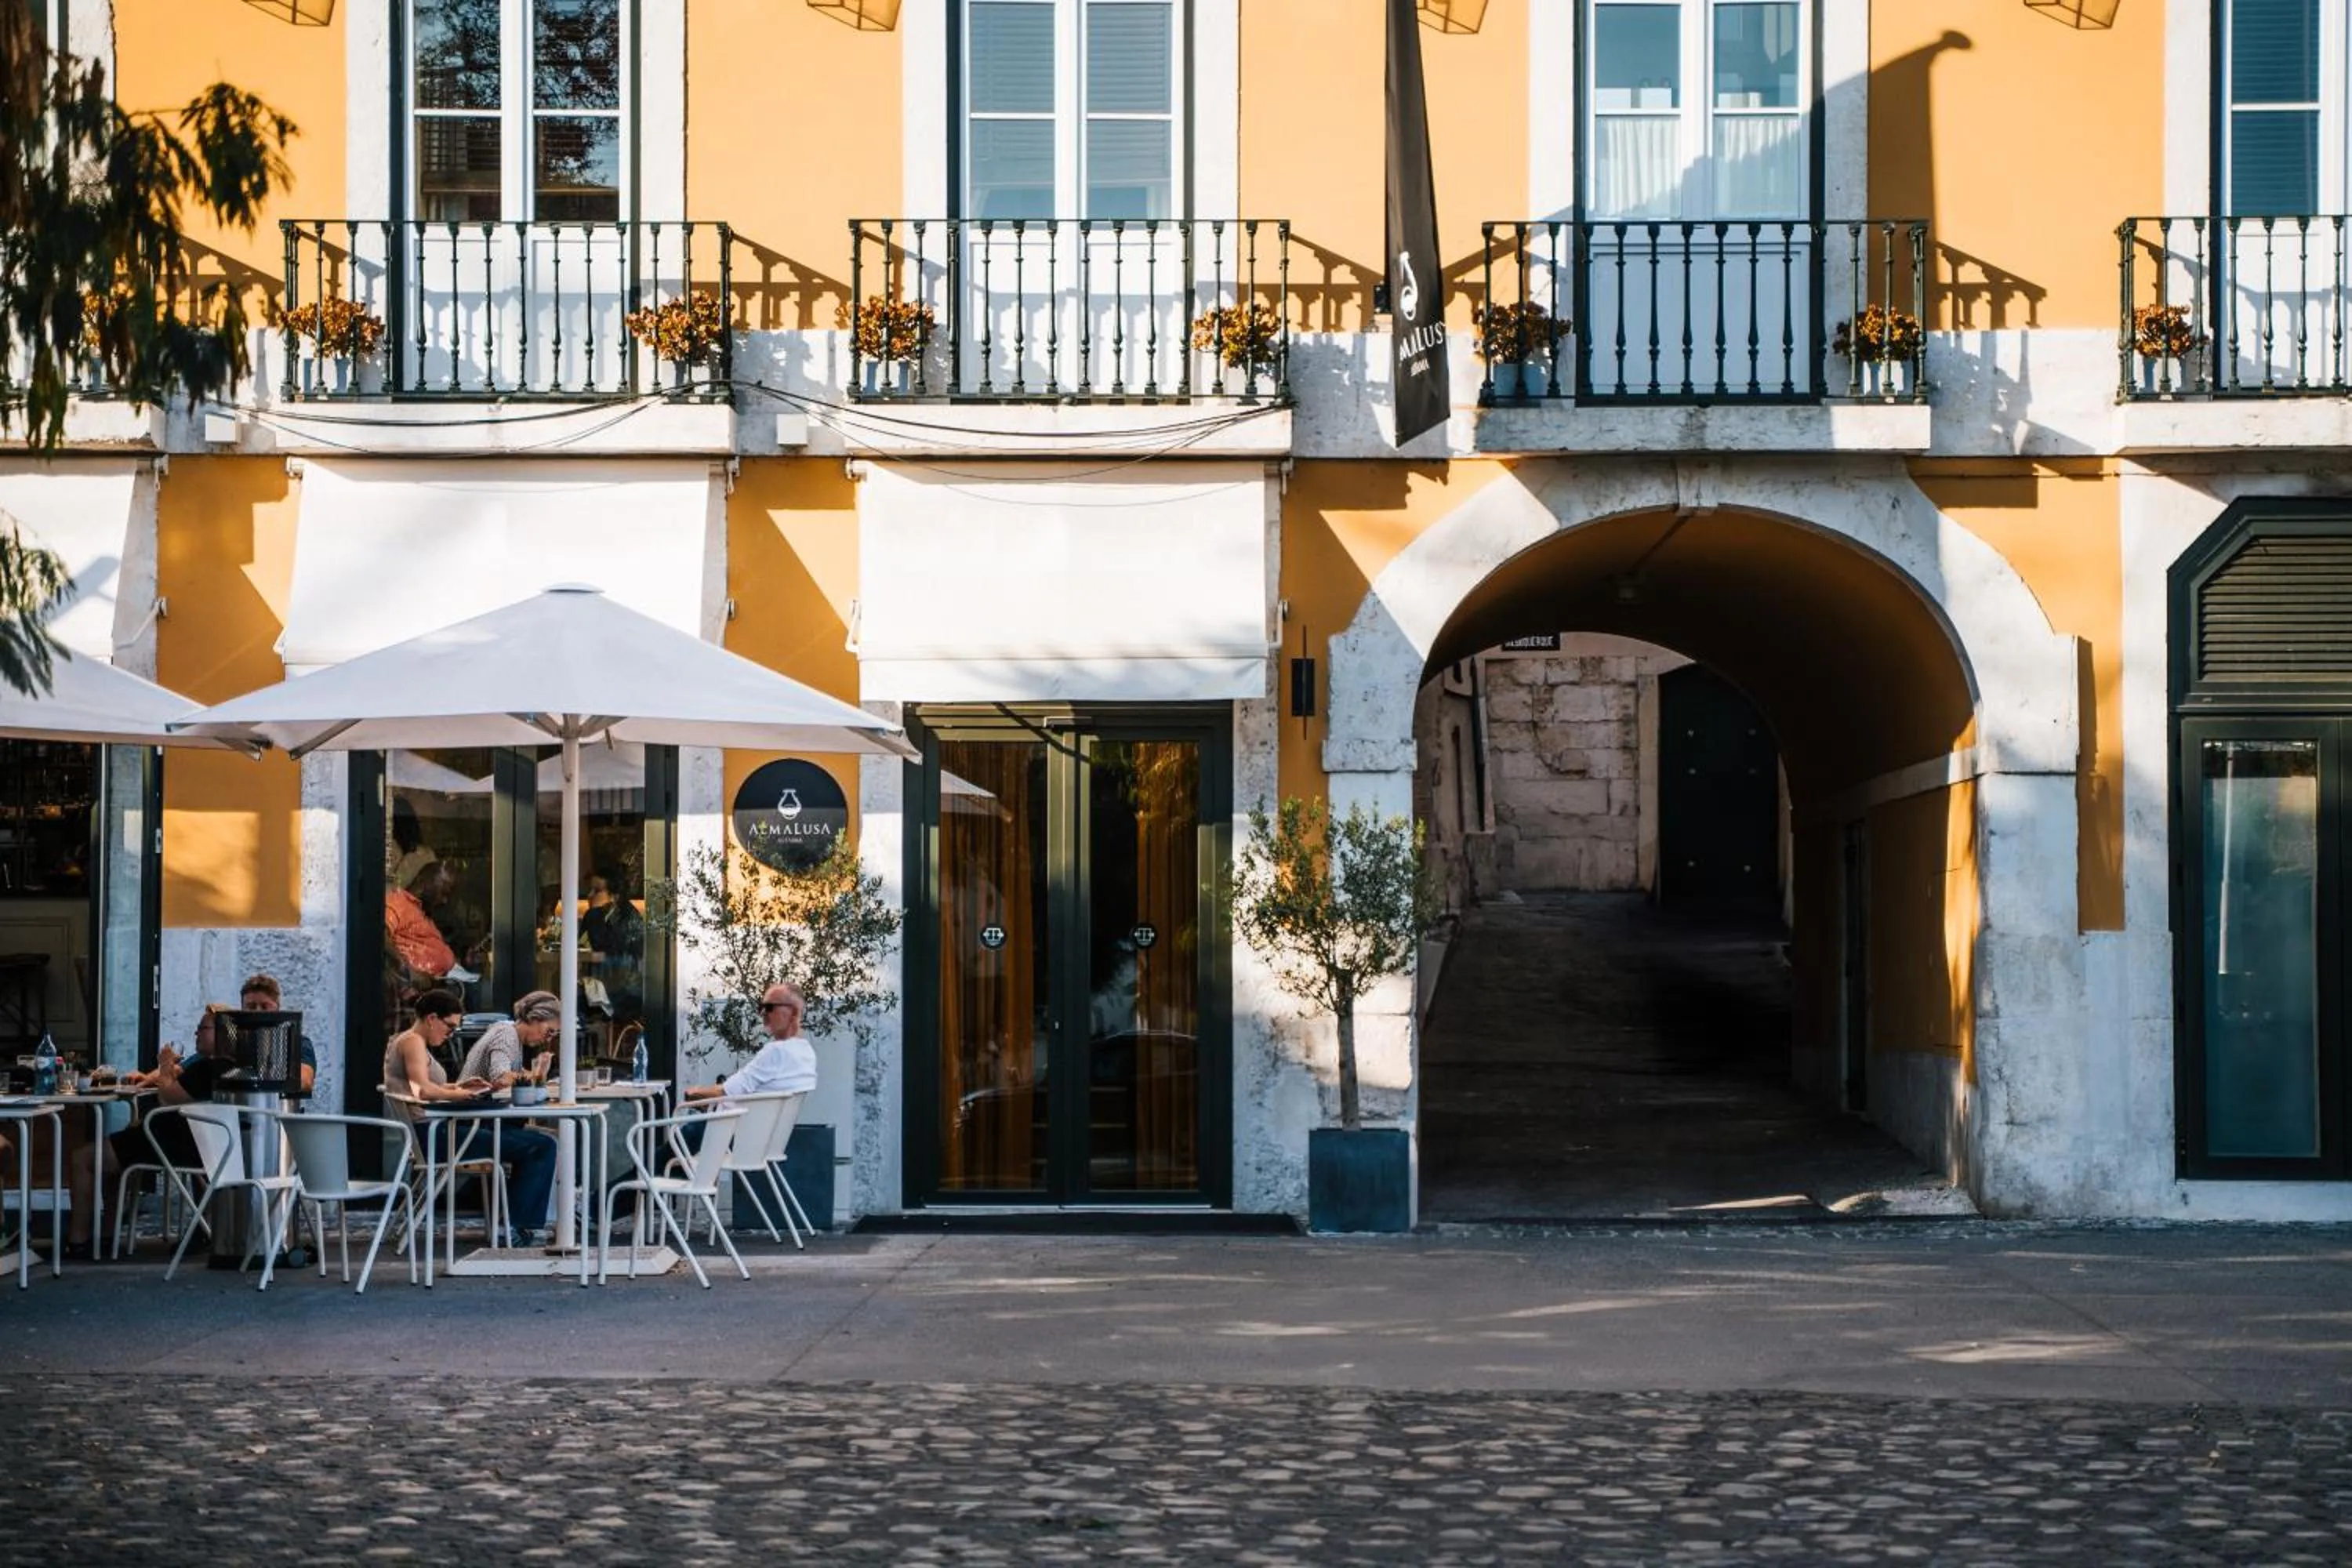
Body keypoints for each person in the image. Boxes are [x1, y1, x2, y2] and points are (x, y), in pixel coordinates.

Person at [383, 988, 557, 1247]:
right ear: (432, 1018)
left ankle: (518, 1224)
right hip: (435, 1138)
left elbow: (423, 1088)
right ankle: (518, 1227)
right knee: (540, 1146)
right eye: (450, 1027)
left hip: (431, 1135)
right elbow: (423, 1090)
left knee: (530, 1142)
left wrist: (459, 1086)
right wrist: (463, 1094)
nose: (450, 1034)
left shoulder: (407, 1041)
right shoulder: (412, 1042)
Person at [61, 1006, 234, 1258]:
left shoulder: (209, 1068)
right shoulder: (220, 1067)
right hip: (188, 1143)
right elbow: (179, 1077)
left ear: (222, 1035)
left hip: (170, 1144)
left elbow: (168, 1098)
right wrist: (148, 1079)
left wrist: (164, 1065)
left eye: (203, 1028)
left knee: (83, 1158)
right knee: (113, 1160)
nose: (196, 1033)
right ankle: (107, 1237)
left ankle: (78, 1242)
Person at [685, 985, 817, 1103]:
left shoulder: (777, 1051)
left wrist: (693, 1093)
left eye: (770, 1007)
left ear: (793, 1012)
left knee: (681, 1124)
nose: (763, 1013)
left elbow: (726, 1092)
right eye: (762, 1008)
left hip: (731, 1127)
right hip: (761, 1126)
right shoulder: (806, 1052)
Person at [460, 990, 561, 1089]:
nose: (548, 1040)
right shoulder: (506, 1034)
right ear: (533, 1018)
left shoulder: (513, 1036)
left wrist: (539, 1072)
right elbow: (501, 1078)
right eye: (549, 1032)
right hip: (472, 1104)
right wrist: (537, 1075)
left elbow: (517, 1075)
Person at [387, 862, 468, 982]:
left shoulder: (423, 914)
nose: (444, 901)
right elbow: (378, 936)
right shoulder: (399, 903)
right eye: (443, 893)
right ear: (424, 882)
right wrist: (408, 972)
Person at [237, 973, 316, 1096]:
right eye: (251, 1007)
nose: (258, 1012)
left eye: (265, 1007)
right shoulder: (232, 1043)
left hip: (283, 1112)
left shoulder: (298, 1042)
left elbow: (306, 1081)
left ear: (277, 1008)